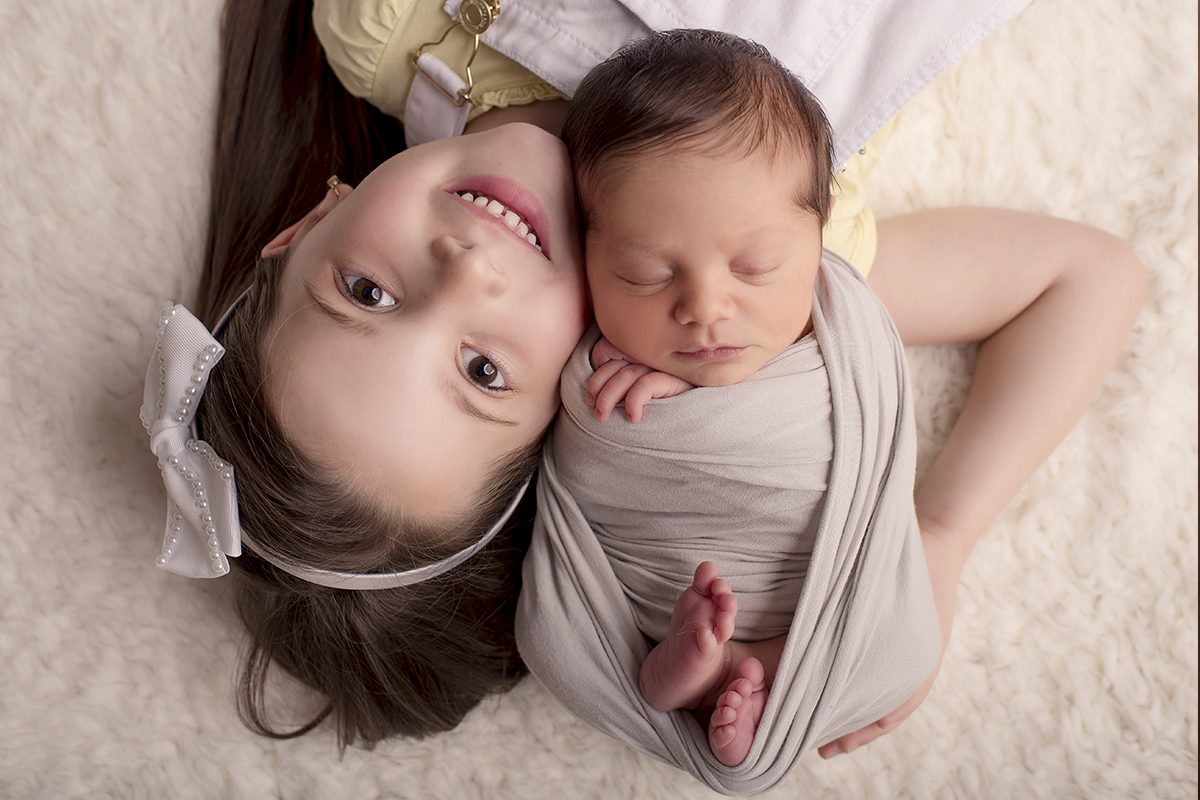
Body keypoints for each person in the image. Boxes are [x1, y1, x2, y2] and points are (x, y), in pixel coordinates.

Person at [146, 0, 1144, 776]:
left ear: (301, 226)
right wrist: (939, 539)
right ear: (570, 406)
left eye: (364, 290)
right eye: (482, 369)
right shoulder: (772, 277)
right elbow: (1088, 280)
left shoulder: (381, 33)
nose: (464, 270)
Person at [522, 28, 932, 768]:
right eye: (646, 275)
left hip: (840, 588)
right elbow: (577, 464)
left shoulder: (840, 307)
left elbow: (865, 394)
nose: (705, 308)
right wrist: (676, 391)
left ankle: (738, 665)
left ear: (820, 231)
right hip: (655, 589)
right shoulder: (588, 351)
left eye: (756, 266)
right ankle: (705, 664)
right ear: (587, 256)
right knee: (568, 633)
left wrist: (713, 378)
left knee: (902, 647)